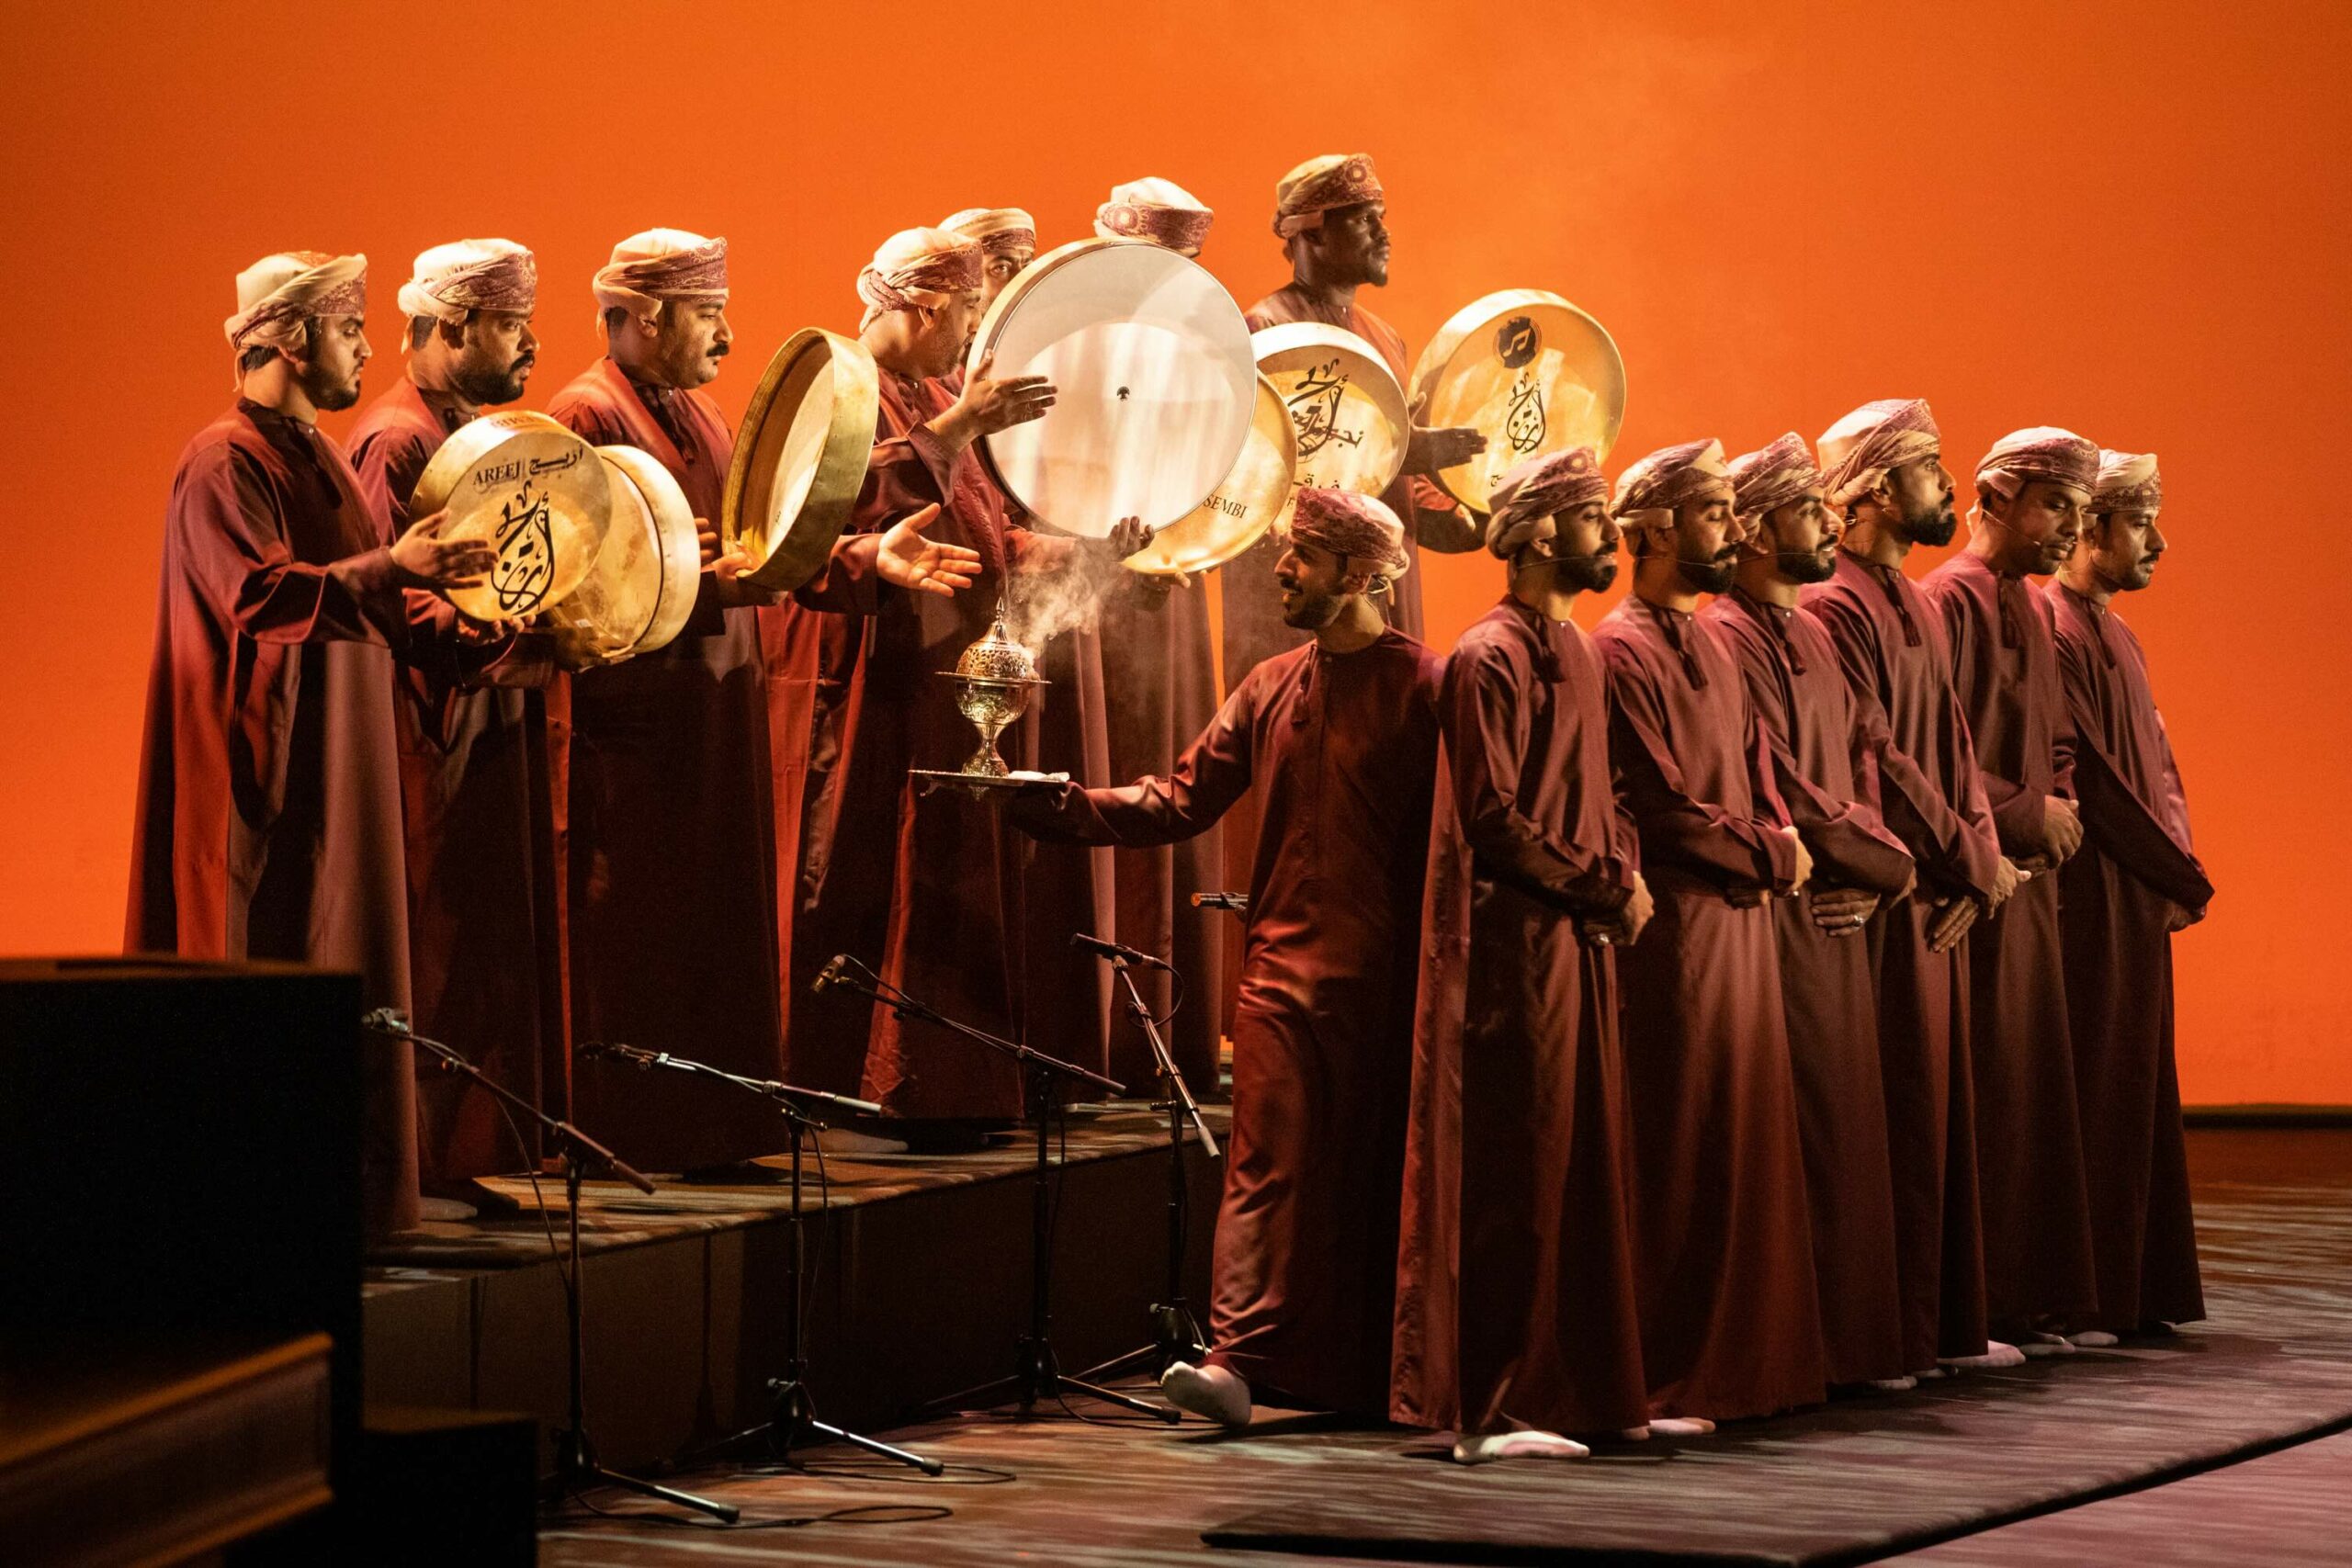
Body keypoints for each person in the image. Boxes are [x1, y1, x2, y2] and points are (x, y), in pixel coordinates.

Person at [1013, 490, 1442, 1427]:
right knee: (1263, 1173)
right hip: (1282, 979)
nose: (1280, 568)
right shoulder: (1269, 683)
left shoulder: (1429, 688)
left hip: (1397, 985)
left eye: (1301, 557)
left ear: (1359, 574)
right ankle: (1236, 1363)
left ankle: (1377, 1373)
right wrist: (1060, 806)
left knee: (1378, 1179)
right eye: (1284, 551)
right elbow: (1178, 799)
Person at [128, 251, 496, 1238]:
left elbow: (372, 598)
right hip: (267, 763)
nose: (369, 347)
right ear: (289, 340)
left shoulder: (313, 448)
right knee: (271, 956)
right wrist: (395, 562)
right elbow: (258, 594)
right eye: (349, 329)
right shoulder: (224, 457)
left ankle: (344, 1201)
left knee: (348, 960)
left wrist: (486, 622)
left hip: (341, 757)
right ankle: (252, 1212)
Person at [784, 228, 1133, 1124]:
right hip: (876, 684)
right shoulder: (838, 384)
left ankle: (946, 1084)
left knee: (951, 875)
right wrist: (960, 426)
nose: (975, 333)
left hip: (948, 678)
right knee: (873, 870)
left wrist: (1087, 552)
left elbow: (982, 536)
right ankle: (857, 1087)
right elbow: (827, 513)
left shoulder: (937, 392)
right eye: (972, 311)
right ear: (930, 307)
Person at [1392, 448, 1656, 1462]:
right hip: (1517, 950)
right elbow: (1493, 818)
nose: (1608, 538)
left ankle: (1567, 1391)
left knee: (1577, 1169)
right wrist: (1601, 884)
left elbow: (1608, 791)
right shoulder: (1487, 655)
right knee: (1517, 1176)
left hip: (1579, 934)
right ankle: (1489, 1409)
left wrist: (1621, 875)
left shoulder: (1576, 649)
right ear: (1544, 535)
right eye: (1593, 519)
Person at [1595, 438, 1827, 1423]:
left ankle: (1746, 1369)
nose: (1731, 531)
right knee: (1680, 1144)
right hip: (1684, 931)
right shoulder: (1618, 648)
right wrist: (1775, 855)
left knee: (1742, 1149)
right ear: (1650, 532)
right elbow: (1660, 804)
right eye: (1710, 515)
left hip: (1742, 921)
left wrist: (1777, 834)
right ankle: (1669, 1372)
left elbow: (1760, 767)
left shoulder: (1718, 642)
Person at [546, 228, 787, 1175]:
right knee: (637, 925)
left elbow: (740, 540)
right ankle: (631, 1130)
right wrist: (721, 589)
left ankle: (714, 1125)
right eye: (709, 313)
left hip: (711, 708)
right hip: (636, 722)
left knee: (712, 918)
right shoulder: (586, 415)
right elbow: (596, 585)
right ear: (646, 317)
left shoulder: (703, 413)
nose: (725, 334)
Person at [1799, 399, 2022, 1376]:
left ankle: (1937, 1326)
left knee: (1933, 1112)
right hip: (1893, 886)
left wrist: (1977, 858)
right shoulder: (1835, 602)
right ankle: (1884, 1334)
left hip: (1938, 882)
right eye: (1931, 468)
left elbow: (1954, 742)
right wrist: (1962, 859)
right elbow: (1874, 753)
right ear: (1880, 488)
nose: (1947, 485)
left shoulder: (1911, 598)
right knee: (1887, 1111)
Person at [1707, 434, 1917, 1392]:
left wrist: (1881, 865)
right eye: (1801, 509)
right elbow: (1775, 776)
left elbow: (1864, 755)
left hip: (1844, 900)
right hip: (1790, 905)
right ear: (1752, 531)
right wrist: (1873, 860)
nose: (1824, 523)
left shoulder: (1814, 633)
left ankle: (1852, 1341)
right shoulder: (1725, 632)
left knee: (1846, 1131)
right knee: (1802, 1134)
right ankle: (1799, 1350)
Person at [348, 238, 552, 1191]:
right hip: (433, 723)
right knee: (440, 946)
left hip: (482, 706)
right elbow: (393, 597)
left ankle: (472, 1155)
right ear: (456, 323)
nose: (529, 347)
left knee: (484, 949)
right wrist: (495, 645)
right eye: (511, 326)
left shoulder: (467, 427)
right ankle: (421, 1167)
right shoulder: (396, 439)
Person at [1921, 427, 2104, 1354]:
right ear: (1992, 499)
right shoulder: (1943, 602)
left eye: (2077, 510)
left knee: (2028, 1085)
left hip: (2023, 884)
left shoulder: (2034, 610)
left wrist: (2058, 803)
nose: (2069, 529)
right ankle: (1979, 1304)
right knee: (1983, 1087)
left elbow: (2057, 740)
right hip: (1972, 880)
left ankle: (2027, 1300)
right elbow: (1933, 750)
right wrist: (2021, 814)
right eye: (2053, 505)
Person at [2045, 449, 2211, 1342]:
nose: (2158, 542)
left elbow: (2158, 768)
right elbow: (2097, 783)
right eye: (2141, 522)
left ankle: (2132, 1286)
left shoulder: (2117, 633)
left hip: (2135, 891)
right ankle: (2084, 1292)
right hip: (2087, 894)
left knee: (2132, 1079)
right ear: (2090, 527)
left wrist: (2176, 863)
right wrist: (2172, 873)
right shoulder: (2054, 629)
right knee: (2091, 1081)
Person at [1229, 152, 1485, 675]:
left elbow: (1407, 487)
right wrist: (1401, 453)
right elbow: (1259, 480)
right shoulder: (1262, 333)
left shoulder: (1385, 338)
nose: (1383, 233)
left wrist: (1476, 509)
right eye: (1364, 219)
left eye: (1381, 217)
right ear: (1312, 233)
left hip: (1381, 580)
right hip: (1299, 589)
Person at [1083, 176, 1227, 1095]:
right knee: (1116, 792)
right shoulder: (1072, 349)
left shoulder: (1203, 359)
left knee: (1181, 786)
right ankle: (1107, 1039)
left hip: (1171, 597)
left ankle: (1174, 1037)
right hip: (1090, 607)